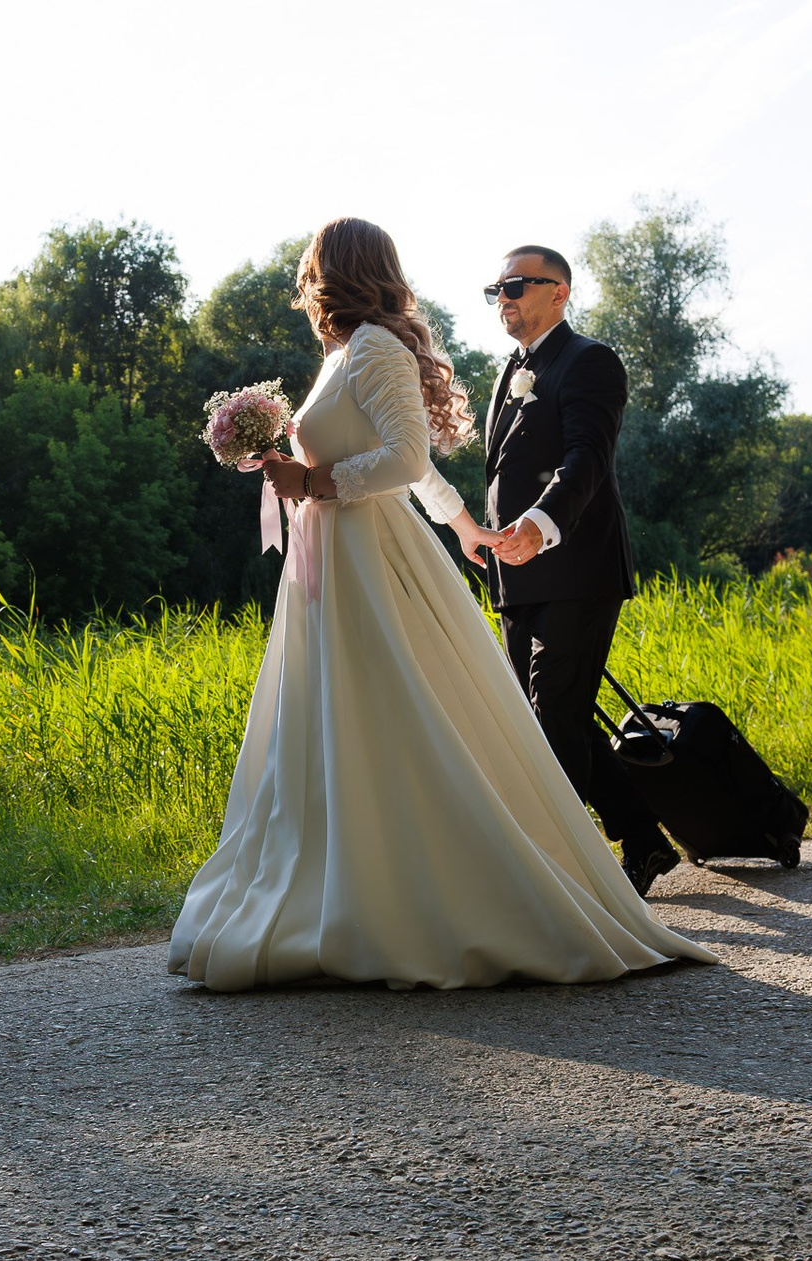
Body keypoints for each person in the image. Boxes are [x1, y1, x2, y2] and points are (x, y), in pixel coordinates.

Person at [167, 218, 716, 992]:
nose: (304, 281)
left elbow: (404, 457)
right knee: (341, 720)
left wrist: (312, 481)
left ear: (339, 271)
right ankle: (338, 892)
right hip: (336, 558)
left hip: (374, 557)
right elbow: (412, 466)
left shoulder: (379, 348)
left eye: (312, 268)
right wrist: (461, 523)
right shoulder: (345, 353)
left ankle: (497, 882)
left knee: (452, 712)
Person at [480, 245, 680, 896]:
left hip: (577, 568)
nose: (503, 298)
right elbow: (506, 470)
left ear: (558, 292)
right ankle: (645, 839)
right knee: (545, 716)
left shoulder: (590, 360)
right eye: (496, 289)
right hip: (516, 574)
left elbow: (586, 459)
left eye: (515, 285)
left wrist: (538, 524)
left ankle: (562, 877)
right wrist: (485, 535)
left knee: (556, 715)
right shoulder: (511, 369)